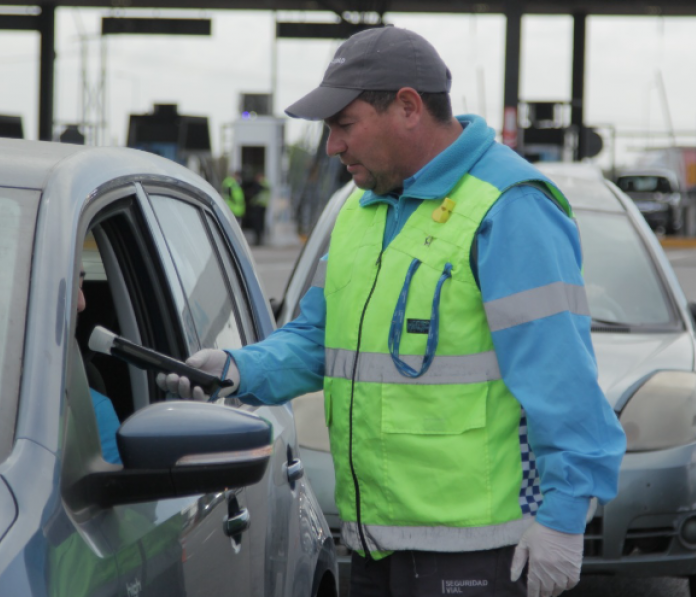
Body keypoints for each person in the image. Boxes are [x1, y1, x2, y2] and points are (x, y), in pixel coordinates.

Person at [159, 26, 625, 597]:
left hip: (476, 554)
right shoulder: (364, 211)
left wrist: (564, 517)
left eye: (343, 125)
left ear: (407, 107)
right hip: (375, 547)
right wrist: (235, 370)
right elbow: (318, 339)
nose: (332, 146)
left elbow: (562, 379)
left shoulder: (509, 207)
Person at [77, 270, 122, 465]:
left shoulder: (87, 410)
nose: (81, 302)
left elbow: (113, 491)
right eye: (68, 281)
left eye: (80, 283)